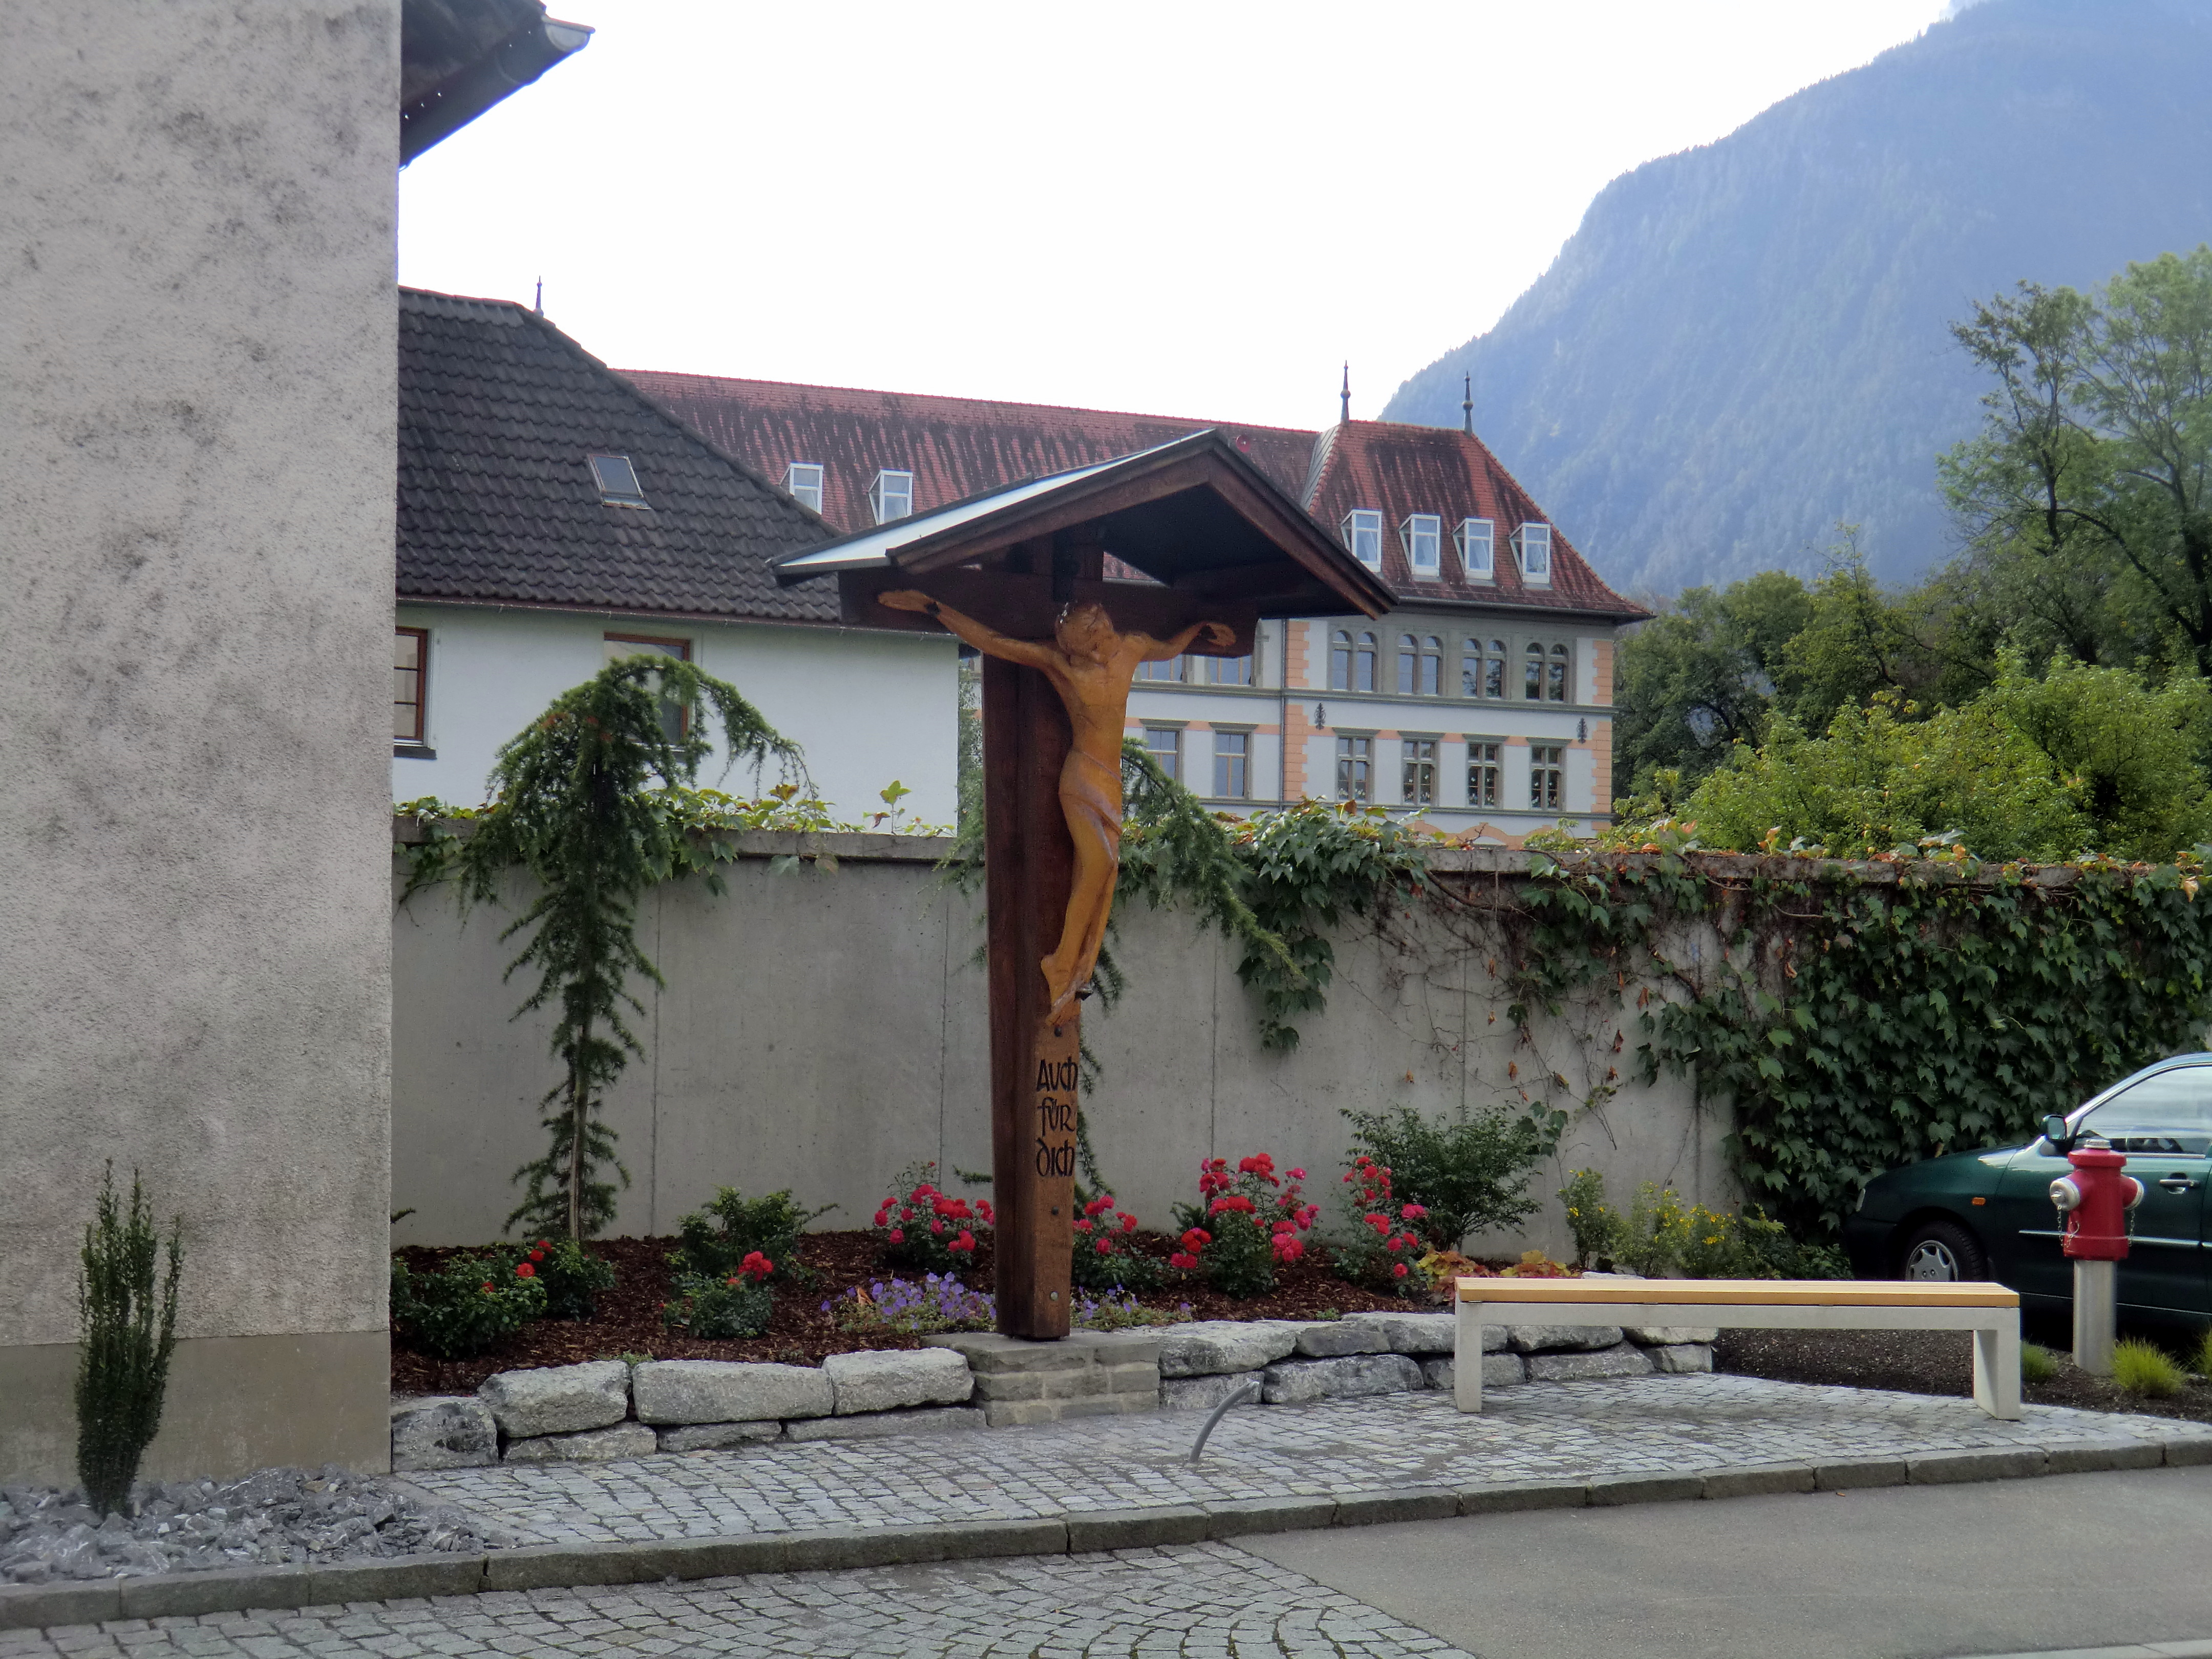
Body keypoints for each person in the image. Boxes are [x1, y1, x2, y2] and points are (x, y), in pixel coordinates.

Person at [879, 590, 1232, 1028]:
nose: (1100, 643)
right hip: (1081, 777)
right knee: (1100, 863)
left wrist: (1199, 629)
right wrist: (934, 608)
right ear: (1076, 646)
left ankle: (1074, 966)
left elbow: (1170, 649)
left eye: (1101, 630)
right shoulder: (1062, 665)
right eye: (1090, 640)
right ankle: (1062, 962)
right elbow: (995, 643)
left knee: (1106, 873)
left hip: (1111, 780)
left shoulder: (1133, 647)